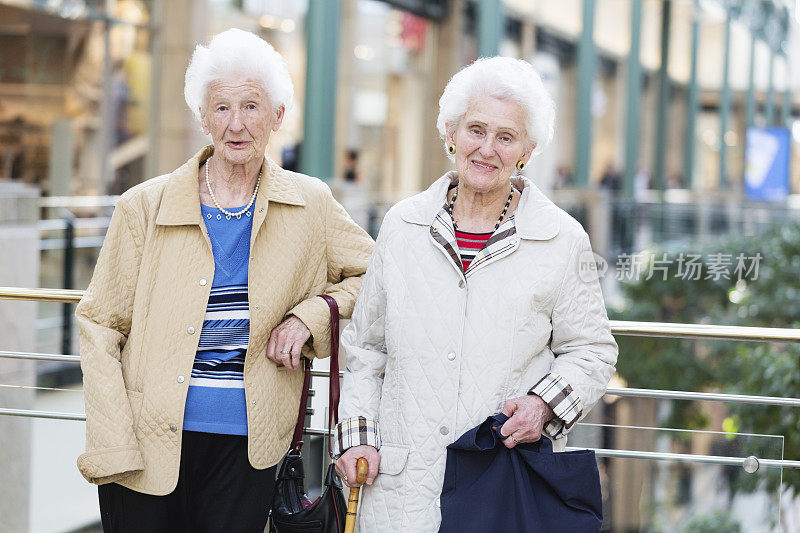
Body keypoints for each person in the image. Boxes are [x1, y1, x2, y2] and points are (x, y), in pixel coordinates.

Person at [76, 29, 373, 532]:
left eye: (252, 106)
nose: (236, 124)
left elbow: (376, 276)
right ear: (202, 116)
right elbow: (99, 324)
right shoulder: (143, 207)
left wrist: (311, 316)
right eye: (221, 108)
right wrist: (112, 441)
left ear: (278, 116)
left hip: (249, 446)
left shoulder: (310, 204)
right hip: (144, 447)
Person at [334, 56, 618, 532]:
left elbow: (591, 351)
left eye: (506, 137)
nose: (487, 149)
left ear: (526, 149)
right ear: (450, 132)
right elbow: (366, 349)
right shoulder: (403, 226)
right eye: (476, 130)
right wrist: (358, 437)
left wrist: (543, 405)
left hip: (501, 486)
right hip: (401, 491)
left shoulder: (561, 238)